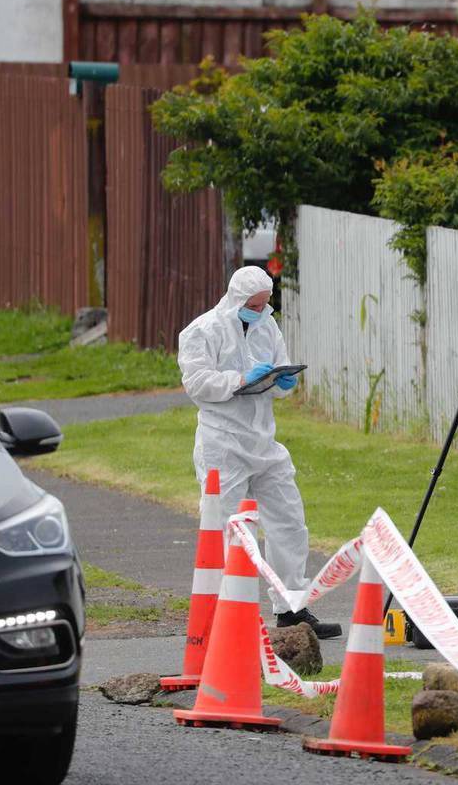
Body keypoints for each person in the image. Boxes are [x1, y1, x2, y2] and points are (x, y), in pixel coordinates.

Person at [177, 266, 341, 640]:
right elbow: (197, 383)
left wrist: (282, 382)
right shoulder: (202, 331)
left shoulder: (268, 325)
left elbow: (276, 381)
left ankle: (291, 608)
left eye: (265, 303)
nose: (260, 309)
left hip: (263, 440)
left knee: (289, 522)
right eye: (253, 304)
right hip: (222, 441)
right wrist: (240, 379)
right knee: (226, 528)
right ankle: (227, 614)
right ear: (236, 299)